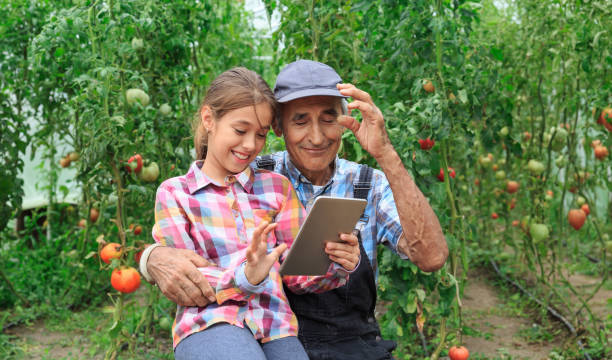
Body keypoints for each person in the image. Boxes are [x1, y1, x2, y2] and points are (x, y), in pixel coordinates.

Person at [140, 60, 449, 359]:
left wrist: (384, 152)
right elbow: (197, 206)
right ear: (278, 126)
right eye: (300, 120)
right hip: (264, 337)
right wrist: (150, 256)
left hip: (347, 345)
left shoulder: (368, 184)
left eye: (329, 118)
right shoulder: (253, 171)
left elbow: (432, 258)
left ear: (344, 120)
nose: (316, 136)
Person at [152, 67, 361, 360]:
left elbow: (296, 274)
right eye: (240, 131)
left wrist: (336, 262)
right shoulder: (175, 194)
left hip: (274, 325)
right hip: (209, 321)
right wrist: (245, 277)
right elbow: (188, 281)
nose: (250, 145)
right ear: (209, 118)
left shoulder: (277, 189)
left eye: (260, 134)